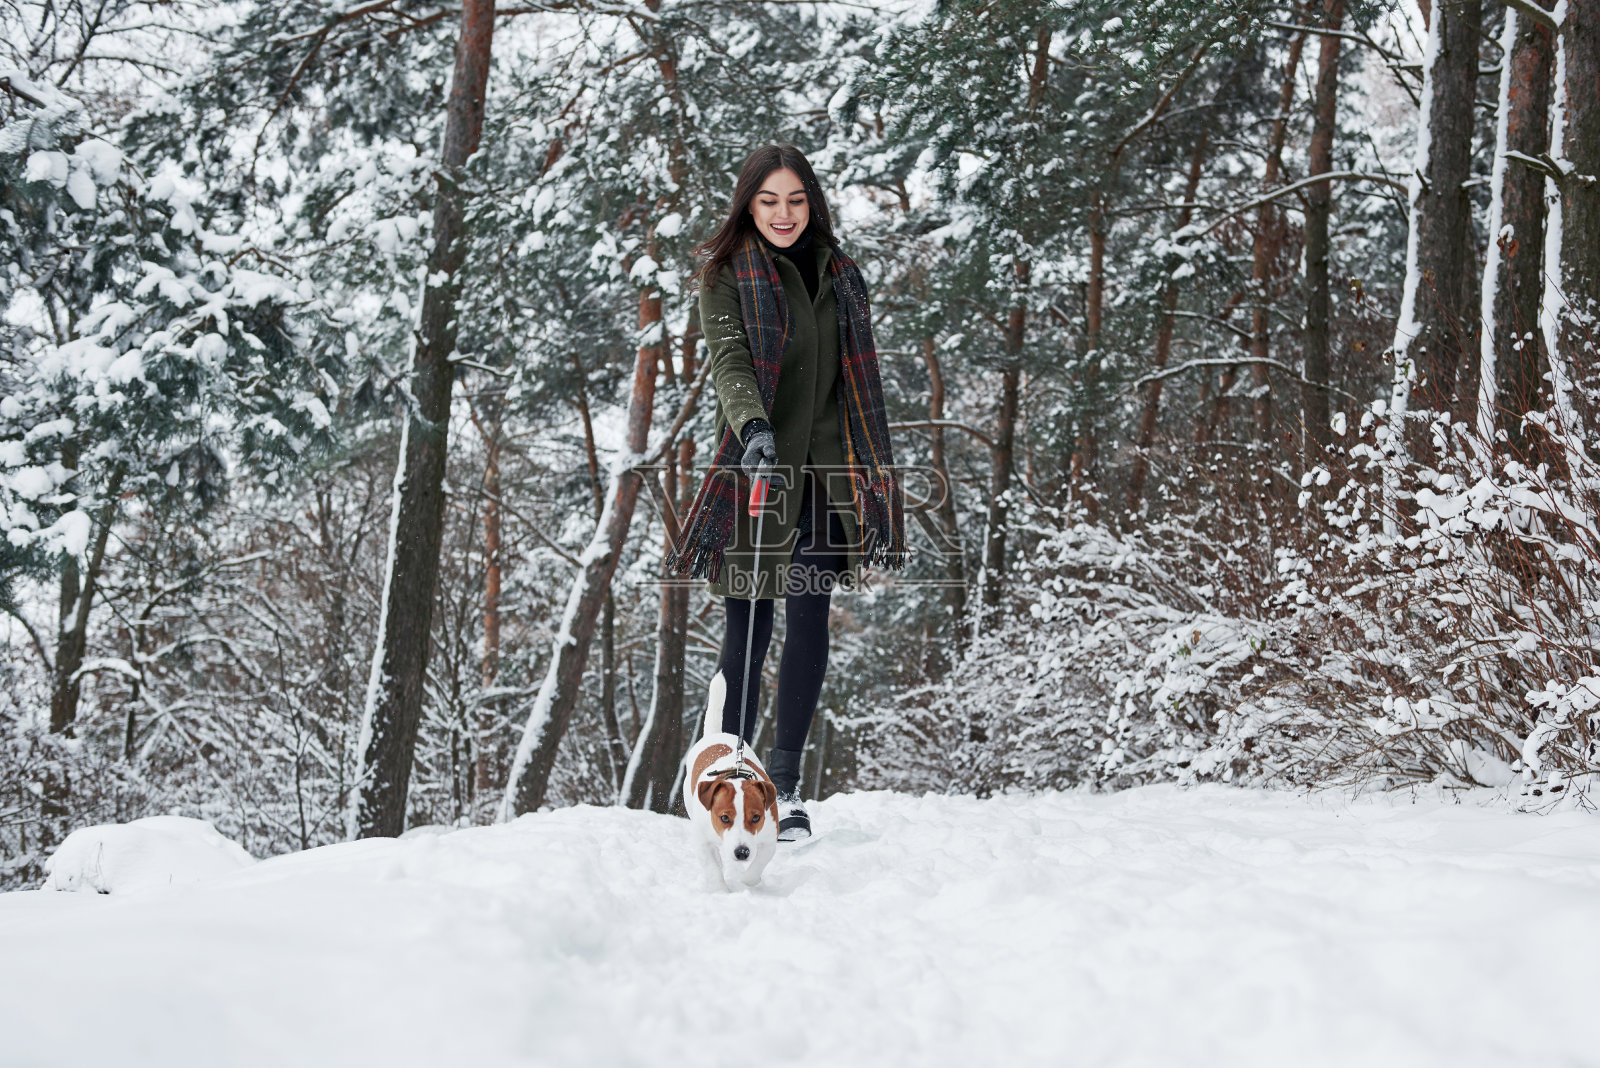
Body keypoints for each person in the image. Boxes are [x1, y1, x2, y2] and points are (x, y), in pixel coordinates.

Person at [665, 143, 908, 840]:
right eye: (768, 201)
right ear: (749, 203)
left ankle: (786, 785)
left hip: (829, 474)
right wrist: (753, 431)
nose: (782, 213)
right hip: (758, 468)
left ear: (813, 203)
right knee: (749, 621)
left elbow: (857, 378)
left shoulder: (841, 275)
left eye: (795, 200)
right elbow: (732, 361)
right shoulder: (725, 276)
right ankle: (731, 773)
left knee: (807, 617)